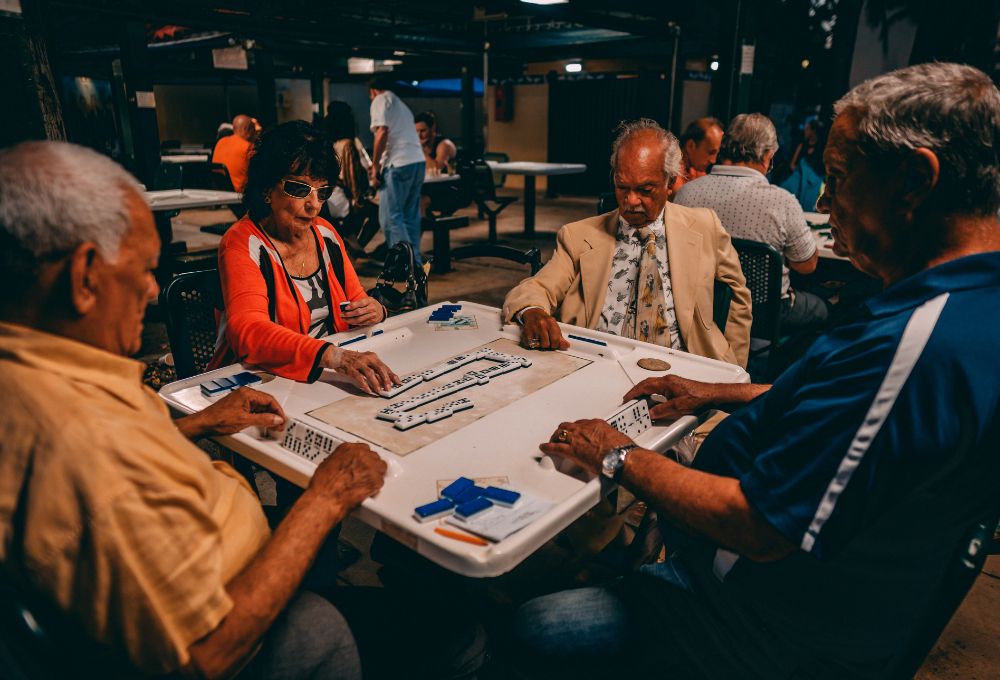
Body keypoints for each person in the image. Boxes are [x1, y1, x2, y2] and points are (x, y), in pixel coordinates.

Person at [513, 62, 1000, 679]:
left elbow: (757, 523)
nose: (823, 200)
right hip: (777, 586)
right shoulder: (954, 308)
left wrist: (616, 453)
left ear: (913, 180)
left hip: (750, 621)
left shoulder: (917, 343)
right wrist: (715, 390)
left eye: (839, 178)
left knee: (531, 630)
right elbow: (850, 408)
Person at [0, 140, 387, 678]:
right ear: (86, 276)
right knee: (451, 636)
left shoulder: (44, 373)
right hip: (250, 617)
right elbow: (203, 658)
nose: (154, 289)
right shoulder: (80, 442)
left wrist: (193, 424)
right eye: (143, 268)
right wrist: (324, 501)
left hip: (227, 532)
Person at [502, 118, 752, 368]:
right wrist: (531, 311)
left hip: (685, 366)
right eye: (622, 187)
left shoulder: (704, 226)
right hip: (600, 366)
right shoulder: (578, 236)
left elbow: (738, 295)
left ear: (670, 182)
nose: (631, 201)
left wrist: (733, 369)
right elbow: (538, 287)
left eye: (645, 190)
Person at [209, 121, 399, 391]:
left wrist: (376, 311)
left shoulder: (326, 234)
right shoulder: (243, 242)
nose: (314, 205)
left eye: (322, 192)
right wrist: (332, 355)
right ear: (266, 189)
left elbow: (357, 302)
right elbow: (247, 332)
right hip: (263, 382)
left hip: (324, 377)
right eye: (298, 189)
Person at [675, 112, 828, 334]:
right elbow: (806, 266)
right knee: (824, 310)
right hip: (765, 314)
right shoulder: (782, 201)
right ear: (767, 156)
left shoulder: (686, 194)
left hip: (702, 308)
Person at [368, 76, 426, 262]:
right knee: (409, 216)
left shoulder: (380, 99)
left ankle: (404, 264)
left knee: (390, 217)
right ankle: (415, 264)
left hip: (398, 163)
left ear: (373, 91)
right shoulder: (402, 106)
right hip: (417, 162)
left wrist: (375, 167)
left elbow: (382, 132)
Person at [669, 116, 724, 198]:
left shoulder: (696, 169)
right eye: (710, 152)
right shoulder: (672, 169)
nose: (713, 161)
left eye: (716, 154)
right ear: (690, 146)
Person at [781, 117, 828, 211]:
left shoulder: (822, 148)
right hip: (799, 176)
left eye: (807, 129)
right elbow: (792, 164)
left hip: (815, 180)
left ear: (813, 130)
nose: (804, 131)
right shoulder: (802, 145)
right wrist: (802, 175)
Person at [211, 113, 257, 192]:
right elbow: (258, 172)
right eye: (253, 129)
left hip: (220, 191)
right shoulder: (248, 147)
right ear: (246, 129)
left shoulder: (220, 142)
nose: (255, 133)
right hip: (241, 194)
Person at [414, 110, 457, 174]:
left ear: (433, 128)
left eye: (422, 131)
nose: (419, 135)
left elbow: (436, 169)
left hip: (447, 182)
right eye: (416, 131)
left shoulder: (445, 145)